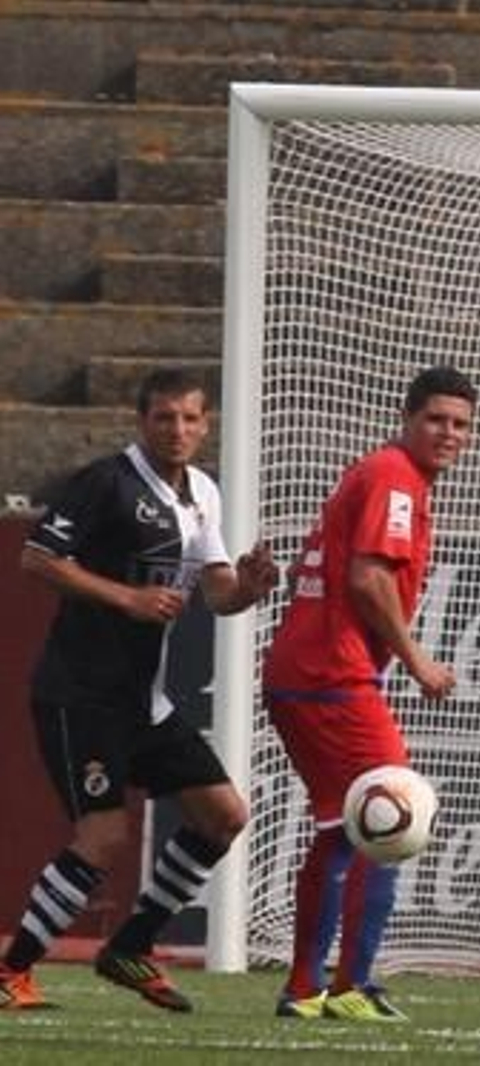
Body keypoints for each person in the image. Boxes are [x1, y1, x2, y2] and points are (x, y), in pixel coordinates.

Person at [0, 367, 280, 1012]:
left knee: (224, 816)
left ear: (206, 425)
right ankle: (12, 970)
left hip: (144, 702)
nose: (177, 429)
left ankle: (129, 947)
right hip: (82, 694)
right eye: (164, 417)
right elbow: (37, 557)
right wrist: (125, 596)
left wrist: (247, 589)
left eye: (189, 418)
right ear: (141, 421)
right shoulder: (107, 482)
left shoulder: (203, 492)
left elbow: (217, 592)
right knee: (104, 837)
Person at [263, 365, 476, 1022]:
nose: (448, 433)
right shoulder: (394, 477)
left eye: (460, 424)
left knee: (343, 827)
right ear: (406, 418)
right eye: (435, 419)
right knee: (396, 815)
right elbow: (367, 577)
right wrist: (417, 661)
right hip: (331, 675)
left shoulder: (384, 474)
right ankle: (351, 986)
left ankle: (306, 988)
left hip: (307, 670)